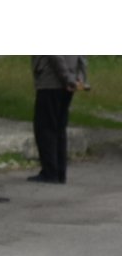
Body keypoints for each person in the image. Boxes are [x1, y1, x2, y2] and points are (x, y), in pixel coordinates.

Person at [30, 57, 89, 185]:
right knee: (59, 127)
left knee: (45, 127)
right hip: (70, 80)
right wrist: (79, 77)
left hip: (51, 80)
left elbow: (55, 56)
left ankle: (50, 172)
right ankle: (59, 172)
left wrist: (66, 77)